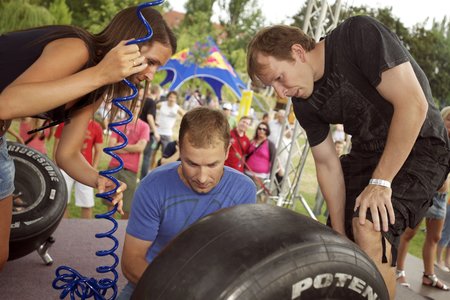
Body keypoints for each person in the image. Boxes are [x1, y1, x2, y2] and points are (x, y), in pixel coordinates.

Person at [247, 16, 450, 299]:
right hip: (368, 151)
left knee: (369, 225)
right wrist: (339, 230)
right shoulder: (303, 101)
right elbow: (327, 164)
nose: (281, 92)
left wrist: (381, 183)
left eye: (280, 78)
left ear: (298, 52)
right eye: (273, 87)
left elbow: (413, 104)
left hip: (421, 143)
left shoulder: (357, 35)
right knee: (339, 243)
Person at [0, 5, 177, 271]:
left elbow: (67, 154)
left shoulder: (95, 85)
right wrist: (99, 75)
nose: (151, 74)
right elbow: (6, 104)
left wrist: (98, 179)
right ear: (127, 43)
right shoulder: (77, 48)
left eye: (158, 67)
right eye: (151, 62)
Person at [118, 107, 257, 299]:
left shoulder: (244, 190)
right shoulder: (152, 186)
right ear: (179, 150)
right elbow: (131, 263)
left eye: (212, 165)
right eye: (191, 163)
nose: (202, 177)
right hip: (153, 281)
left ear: (227, 152)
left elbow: (240, 258)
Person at [396, 179, 449, 290]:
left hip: (441, 197)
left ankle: (428, 276)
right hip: (424, 191)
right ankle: (398, 272)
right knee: (408, 234)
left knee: (435, 237)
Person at [105, 100, 149, 219]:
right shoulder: (118, 124)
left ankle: (122, 233)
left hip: (130, 171)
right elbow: (111, 146)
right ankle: (109, 228)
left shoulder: (144, 126)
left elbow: (140, 147)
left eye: (138, 106)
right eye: (132, 105)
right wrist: (132, 148)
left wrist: (121, 145)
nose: (135, 108)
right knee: (111, 202)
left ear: (140, 108)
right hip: (114, 167)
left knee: (127, 207)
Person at [54, 119, 104, 219]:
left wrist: (93, 170)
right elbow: (56, 146)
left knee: (87, 203)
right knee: (62, 202)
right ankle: (65, 228)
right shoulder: (64, 123)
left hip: (86, 169)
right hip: (65, 168)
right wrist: (56, 167)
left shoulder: (96, 127)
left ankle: (85, 230)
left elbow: (99, 150)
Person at [244, 121, 276, 203]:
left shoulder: (270, 145)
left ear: (267, 131)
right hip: (246, 173)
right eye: (259, 128)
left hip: (260, 177)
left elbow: (273, 161)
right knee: (245, 196)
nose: (261, 130)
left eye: (264, 129)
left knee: (256, 198)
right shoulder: (252, 141)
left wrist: (271, 178)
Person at [437, 106, 450, 273]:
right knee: (408, 234)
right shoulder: (436, 139)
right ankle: (400, 269)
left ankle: (442, 262)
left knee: (437, 236)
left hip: (442, 195)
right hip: (429, 194)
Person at [154, 91, 185, 159]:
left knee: (164, 154)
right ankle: (150, 169)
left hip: (167, 133)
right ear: (168, 97)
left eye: (174, 98)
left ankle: (160, 169)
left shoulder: (177, 108)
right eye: (171, 97)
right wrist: (154, 121)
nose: (172, 99)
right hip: (157, 132)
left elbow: (185, 116)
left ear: (176, 99)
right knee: (153, 152)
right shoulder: (161, 104)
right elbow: (153, 110)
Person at [139, 83, 161, 179]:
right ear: (157, 92)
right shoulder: (152, 102)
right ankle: (144, 178)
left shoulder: (143, 100)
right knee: (147, 157)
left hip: (138, 129)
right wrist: (155, 131)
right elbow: (149, 116)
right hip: (147, 132)